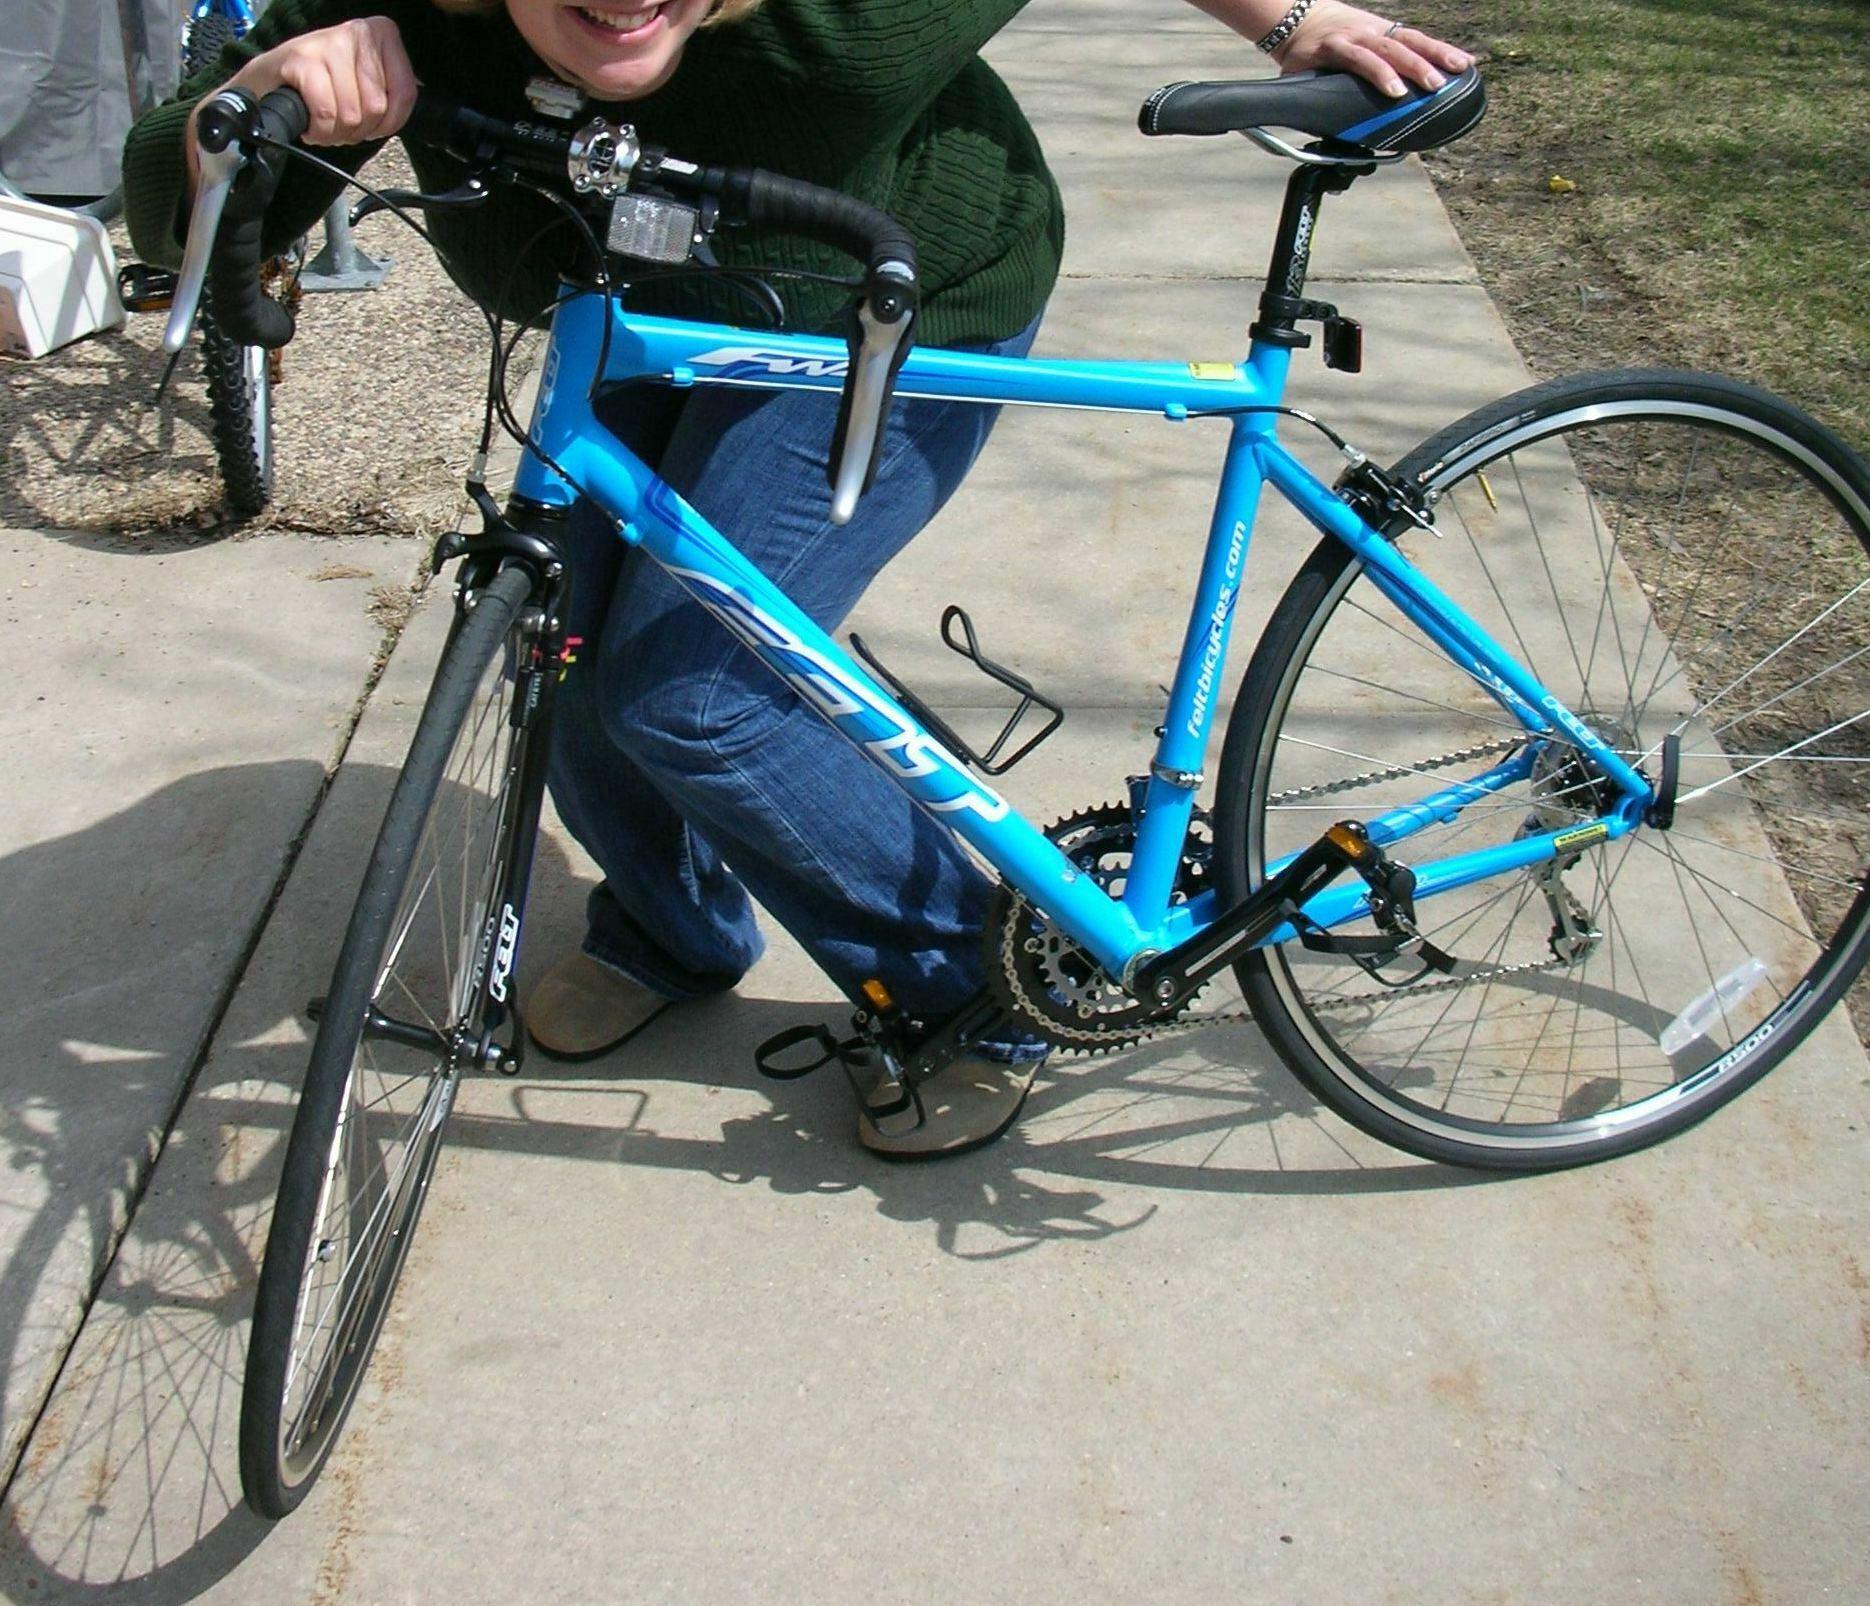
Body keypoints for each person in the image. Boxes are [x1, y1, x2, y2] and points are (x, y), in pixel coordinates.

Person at [123, 0, 1471, 1159]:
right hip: (634, 305)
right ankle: (673, 926)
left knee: (693, 690)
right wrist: (257, 98)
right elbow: (172, 194)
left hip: (891, 287)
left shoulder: (844, 19)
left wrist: (1298, 25)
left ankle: (979, 985)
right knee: (567, 647)